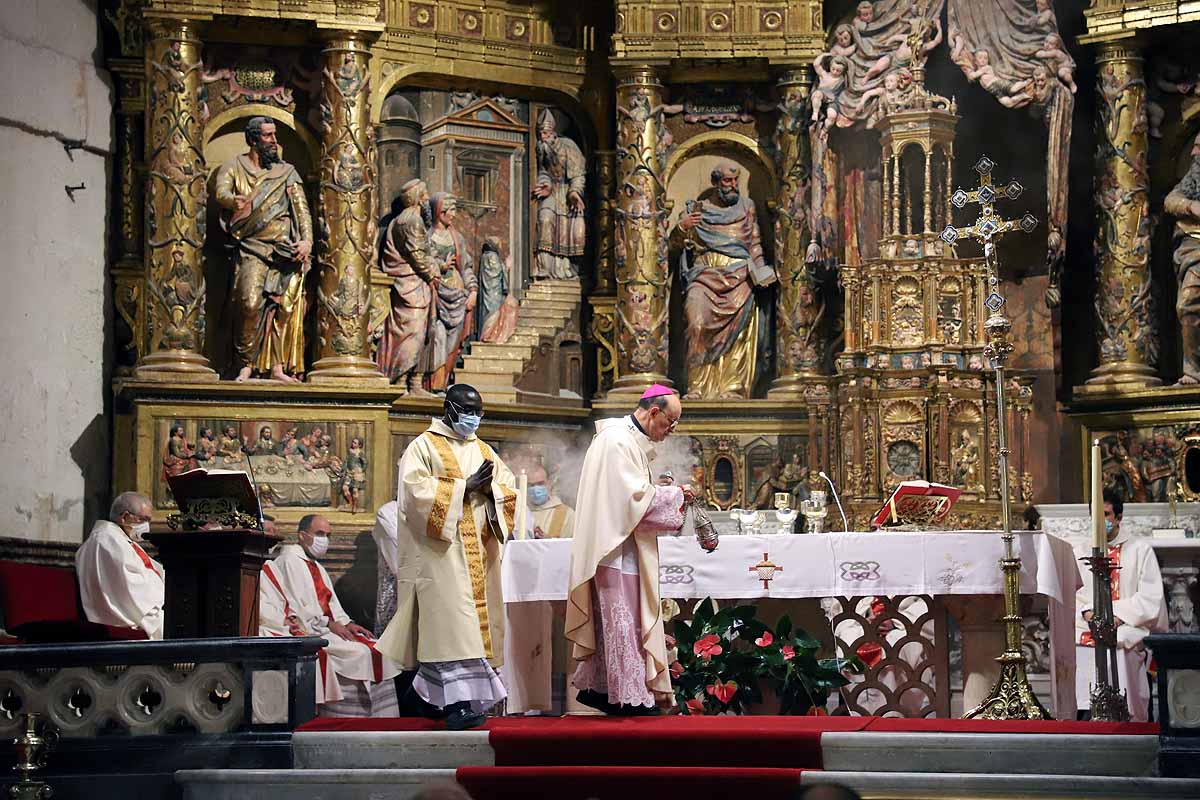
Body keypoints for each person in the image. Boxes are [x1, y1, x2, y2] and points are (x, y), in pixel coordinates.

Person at [375, 384, 521, 730]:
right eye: (467, 410)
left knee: (467, 630)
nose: (473, 418)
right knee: (451, 630)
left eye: (478, 412)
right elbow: (413, 496)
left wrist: (491, 490)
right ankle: (454, 704)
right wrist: (463, 488)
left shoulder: (483, 448)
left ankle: (436, 701)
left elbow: (508, 488)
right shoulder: (423, 446)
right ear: (450, 408)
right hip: (442, 557)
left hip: (477, 558)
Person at [566, 384, 694, 715]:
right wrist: (675, 495)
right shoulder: (616, 441)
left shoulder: (623, 440)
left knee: (621, 624)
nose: (671, 431)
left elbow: (630, 494)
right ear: (653, 412)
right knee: (623, 624)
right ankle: (626, 697)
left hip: (620, 546)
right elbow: (631, 501)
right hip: (615, 551)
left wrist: (660, 491)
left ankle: (605, 690)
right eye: (671, 422)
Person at [260, 514, 399, 717]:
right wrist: (329, 624)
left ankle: (381, 716)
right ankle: (349, 716)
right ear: (302, 535)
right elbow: (298, 606)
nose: (324, 540)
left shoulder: (315, 565)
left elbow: (331, 604)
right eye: (319, 534)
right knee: (358, 653)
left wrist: (347, 622)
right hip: (313, 629)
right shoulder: (289, 561)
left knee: (376, 646)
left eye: (327, 535)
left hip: (325, 626)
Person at [213, 117, 313, 383]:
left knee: (286, 309)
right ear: (253, 140)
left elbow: (301, 210)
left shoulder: (287, 172)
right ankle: (245, 363)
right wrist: (233, 200)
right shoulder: (234, 167)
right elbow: (220, 191)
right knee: (249, 302)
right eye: (268, 136)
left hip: (285, 252)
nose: (274, 141)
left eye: (275, 135)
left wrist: (307, 241)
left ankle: (278, 367)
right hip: (251, 248)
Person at [674, 162, 775, 399]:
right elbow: (675, 245)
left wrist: (761, 271)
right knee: (696, 324)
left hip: (740, 279)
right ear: (715, 182)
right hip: (704, 276)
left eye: (735, 181)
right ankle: (697, 386)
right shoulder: (696, 209)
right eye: (727, 182)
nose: (732, 186)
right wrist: (682, 227)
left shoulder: (747, 207)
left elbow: (755, 244)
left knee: (737, 334)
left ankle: (732, 387)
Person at [1075, 490, 1168, 721]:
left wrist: (1116, 615)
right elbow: (1074, 595)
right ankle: (1085, 714)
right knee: (1078, 643)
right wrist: (1087, 612)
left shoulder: (1140, 550)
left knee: (1120, 642)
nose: (1100, 521)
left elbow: (1150, 597)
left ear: (1119, 517)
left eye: (1105, 514)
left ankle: (1129, 718)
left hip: (1128, 624)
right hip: (1088, 625)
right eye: (1095, 515)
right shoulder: (1080, 551)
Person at [75, 492, 164, 639]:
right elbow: (129, 587)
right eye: (143, 519)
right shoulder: (106, 541)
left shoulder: (121, 540)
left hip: (139, 608)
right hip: (128, 616)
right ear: (125, 517)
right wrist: (166, 598)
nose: (146, 526)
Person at [377, 179, 436, 396]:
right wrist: (432, 274)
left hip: (408, 283)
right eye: (425, 194)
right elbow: (417, 254)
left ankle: (412, 381)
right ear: (419, 198)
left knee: (413, 331)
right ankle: (405, 381)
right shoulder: (412, 220)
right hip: (411, 284)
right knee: (414, 332)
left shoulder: (397, 221)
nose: (428, 198)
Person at [427, 194, 478, 393]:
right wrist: (439, 266)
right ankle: (432, 383)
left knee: (452, 344)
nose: (454, 215)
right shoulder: (427, 236)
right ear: (441, 211)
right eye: (452, 210)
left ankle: (443, 383)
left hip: (457, 292)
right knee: (437, 337)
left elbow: (466, 267)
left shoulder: (457, 238)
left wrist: (472, 291)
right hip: (436, 293)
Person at [533, 109, 587, 280]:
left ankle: (565, 268)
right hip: (551, 191)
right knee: (545, 219)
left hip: (567, 191)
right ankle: (545, 267)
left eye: (546, 133)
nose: (543, 137)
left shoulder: (568, 146)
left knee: (571, 230)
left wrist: (574, 193)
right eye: (541, 133)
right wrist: (546, 185)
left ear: (553, 133)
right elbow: (543, 171)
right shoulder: (542, 149)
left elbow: (578, 174)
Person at [1165, 132, 1200, 384]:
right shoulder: (1196, 175)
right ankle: (1194, 371)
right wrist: (1190, 206)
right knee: (1187, 304)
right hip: (1196, 247)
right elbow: (1172, 200)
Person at [529, 464, 575, 539]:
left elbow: (574, 545)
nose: (535, 488)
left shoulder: (567, 514)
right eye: (531, 485)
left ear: (549, 484)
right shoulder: (522, 513)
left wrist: (549, 541)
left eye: (540, 483)